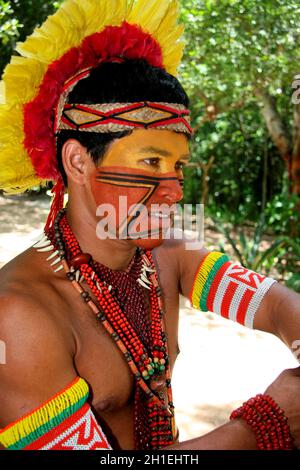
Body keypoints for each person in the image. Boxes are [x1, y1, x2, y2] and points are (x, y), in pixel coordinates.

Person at [0, 0, 299, 451]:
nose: (175, 189)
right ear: (78, 161)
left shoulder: (171, 254)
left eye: (178, 166)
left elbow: (274, 305)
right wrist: (263, 426)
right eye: (151, 162)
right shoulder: (18, 318)